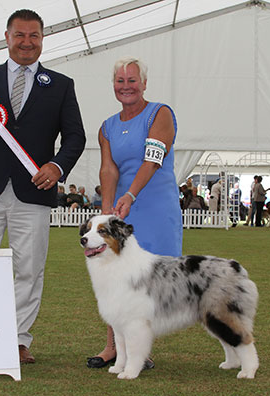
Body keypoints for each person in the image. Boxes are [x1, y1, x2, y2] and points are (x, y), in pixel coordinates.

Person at [0, 9, 86, 364]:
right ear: (7, 36)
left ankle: (16, 340)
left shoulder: (61, 85)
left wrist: (57, 166)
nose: (27, 42)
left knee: (29, 268)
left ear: (42, 39)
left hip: (34, 192)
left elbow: (75, 135)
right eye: (20, 35)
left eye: (34, 36)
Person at [86, 56, 182, 370]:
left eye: (132, 80)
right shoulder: (107, 127)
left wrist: (131, 194)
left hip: (154, 205)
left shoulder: (160, 113)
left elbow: (152, 159)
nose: (126, 87)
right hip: (120, 212)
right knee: (113, 278)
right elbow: (108, 170)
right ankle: (114, 347)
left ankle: (140, 349)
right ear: (113, 85)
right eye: (120, 81)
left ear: (144, 84)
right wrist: (105, 215)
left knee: (148, 282)